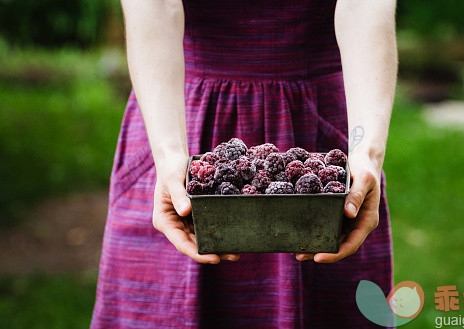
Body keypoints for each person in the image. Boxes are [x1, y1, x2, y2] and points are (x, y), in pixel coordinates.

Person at [90, 0, 398, 328]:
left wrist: (366, 153)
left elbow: (362, 6)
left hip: (317, 126)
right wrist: (168, 155)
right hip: (174, 122)